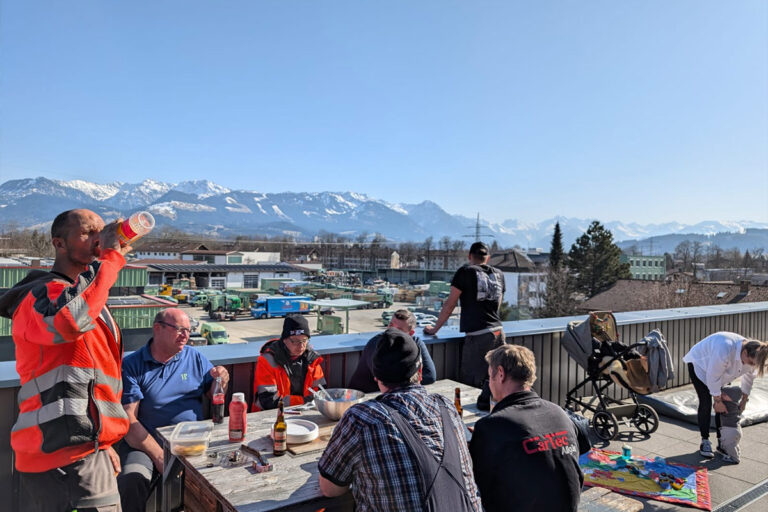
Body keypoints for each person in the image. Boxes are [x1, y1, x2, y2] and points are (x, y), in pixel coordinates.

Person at [0, 209, 131, 512]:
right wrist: (110, 258)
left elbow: (92, 379)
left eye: (101, 231)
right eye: (87, 232)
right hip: (63, 459)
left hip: (86, 451)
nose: (98, 238)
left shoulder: (86, 298)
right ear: (59, 243)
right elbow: (69, 321)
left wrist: (103, 443)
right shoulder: (39, 296)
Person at [318, 328, 482, 512]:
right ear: (420, 372)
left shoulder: (361, 419)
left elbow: (329, 489)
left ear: (376, 377)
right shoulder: (447, 407)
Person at [117, 308, 229, 512]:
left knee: (226, 472)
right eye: (179, 329)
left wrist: (221, 379)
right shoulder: (132, 365)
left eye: (188, 330)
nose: (186, 335)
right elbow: (129, 421)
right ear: (157, 328)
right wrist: (160, 456)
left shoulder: (194, 357)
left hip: (194, 442)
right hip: (148, 444)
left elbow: (213, 394)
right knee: (132, 477)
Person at [470, 344, 584, 512]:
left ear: (500, 373)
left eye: (489, 377)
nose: (489, 384)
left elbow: (475, 483)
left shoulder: (491, 426)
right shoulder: (559, 412)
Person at [424, 241, 506, 409]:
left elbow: (450, 304)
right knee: (496, 380)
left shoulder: (465, 272)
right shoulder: (498, 274)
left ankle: (470, 421)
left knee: (471, 384)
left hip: (478, 336)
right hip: (498, 332)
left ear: (469, 256)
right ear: (487, 258)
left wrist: (435, 329)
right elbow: (498, 303)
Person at [682, 332, 768, 458]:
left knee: (724, 405)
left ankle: (722, 442)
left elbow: (749, 378)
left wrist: (744, 400)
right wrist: (717, 401)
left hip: (718, 371)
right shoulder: (724, 349)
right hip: (700, 365)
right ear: (745, 353)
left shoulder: (753, 356)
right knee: (706, 402)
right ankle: (705, 441)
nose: (752, 366)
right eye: (751, 363)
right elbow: (712, 377)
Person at [348, 309, 437, 392]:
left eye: (399, 329)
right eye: (391, 325)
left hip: (389, 395)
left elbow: (430, 376)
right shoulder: (377, 343)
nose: (392, 331)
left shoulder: (416, 342)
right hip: (365, 394)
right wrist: (409, 379)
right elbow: (384, 379)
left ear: (411, 333)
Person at [252, 314, 325, 411]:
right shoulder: (267, 360)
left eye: (304, 340)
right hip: (270, 415)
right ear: (284, 339)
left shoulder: (312, 360)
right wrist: (304, 401)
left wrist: (308, 403)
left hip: (305, 412)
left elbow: (321, 393)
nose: (301, 346)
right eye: (295, 341)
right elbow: (269, 401)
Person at [718, 386, 743, 464]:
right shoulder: (736, 404)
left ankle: (735, 458)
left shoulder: (727, 405)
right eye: (722, 394)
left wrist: (717, 400)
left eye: (725, 395)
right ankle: (737, 453)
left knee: (729, 445)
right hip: (737, 429)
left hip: (729, 430)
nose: (722, 395)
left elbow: (716, 408)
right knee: (734, 444)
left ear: (732, 398)